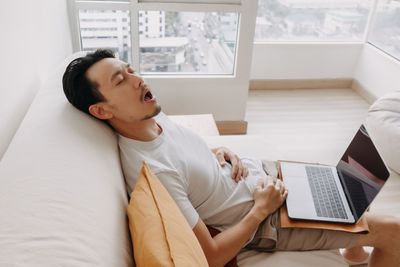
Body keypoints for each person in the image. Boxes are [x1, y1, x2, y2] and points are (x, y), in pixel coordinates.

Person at [62, 49, 400, 267]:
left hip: (262, 178)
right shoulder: (152, 173)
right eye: (121, 80)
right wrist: (261, 210)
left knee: (348, 187)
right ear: (101, 109)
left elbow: (181, 155)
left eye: (130, 69)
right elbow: (209, 256)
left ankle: (354, 254)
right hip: (271, 219)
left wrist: (215, 151)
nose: (138, 79)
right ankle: (361, 243)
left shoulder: (150, 119)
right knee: (395, 230)